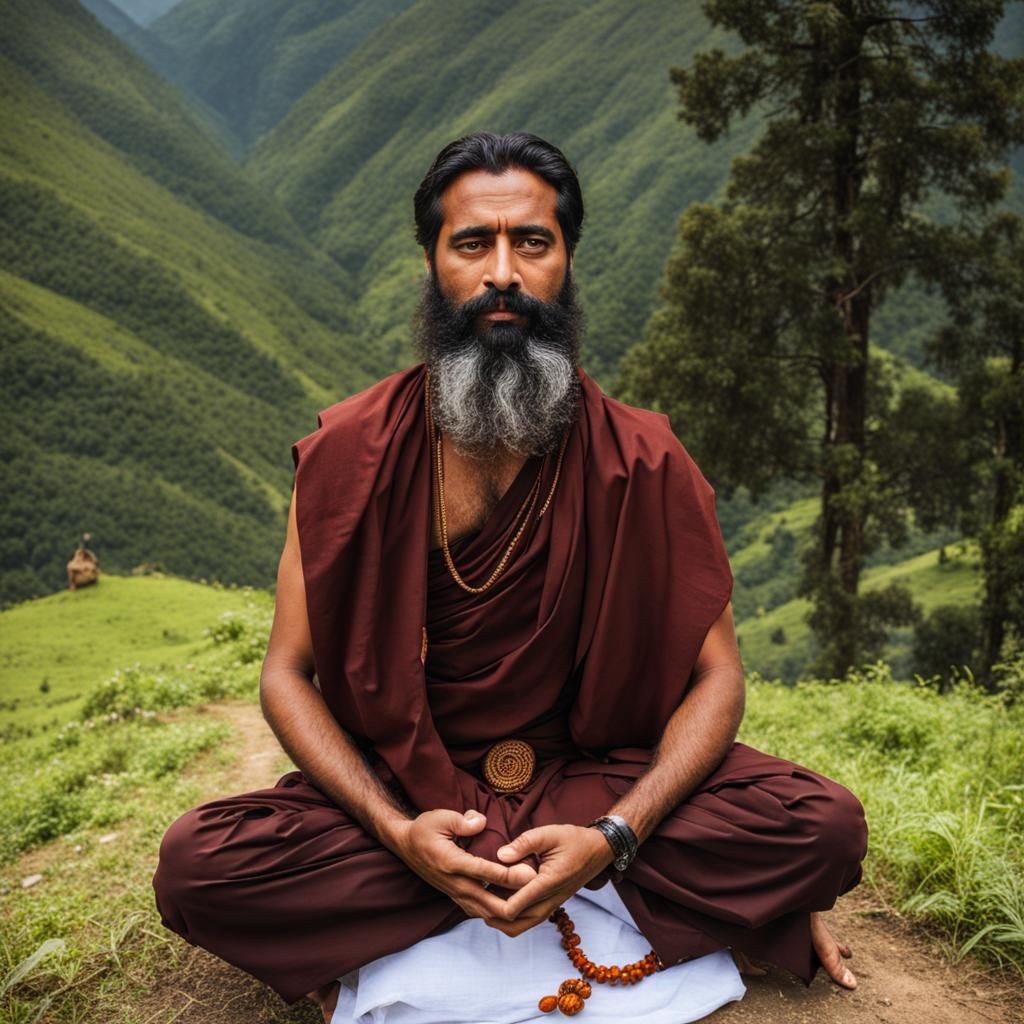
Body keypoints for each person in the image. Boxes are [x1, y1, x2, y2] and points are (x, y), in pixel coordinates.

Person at [153, 132, 867, 1022]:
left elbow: (718, 676)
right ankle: (552, 887)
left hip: (591, 779)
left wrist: (616, 835)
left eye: (532, 242)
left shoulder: (642, 458)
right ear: (432, 262)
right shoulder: (349, 454)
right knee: (197, 866)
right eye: (472, 244)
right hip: (412, 789)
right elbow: (285, 674)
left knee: (823, 828)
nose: (503, 272)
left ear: (565, 260)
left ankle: (569, 878)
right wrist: (397, 833)